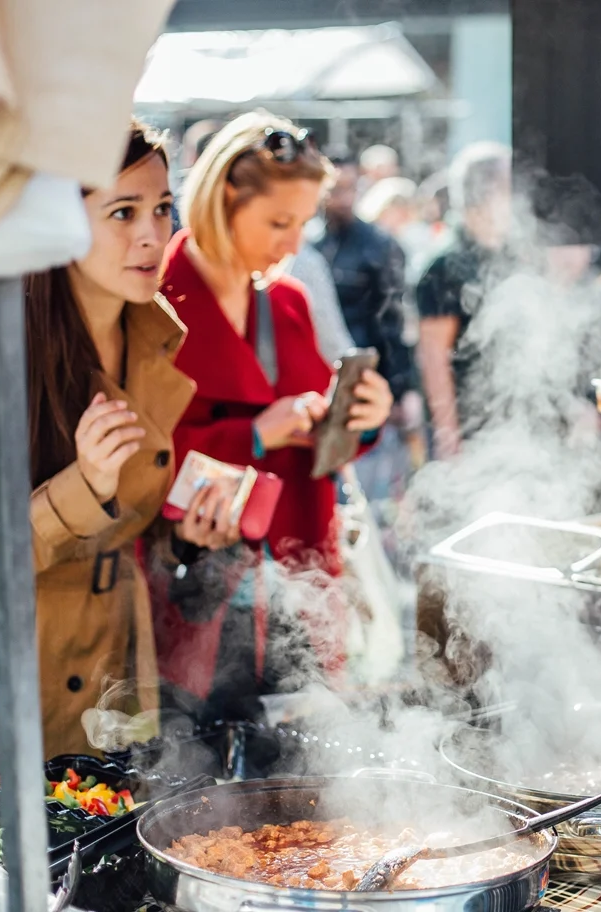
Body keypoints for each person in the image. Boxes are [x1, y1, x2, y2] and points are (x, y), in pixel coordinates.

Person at [0, 121, 240, 783]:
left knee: (116, 847)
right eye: (122, 212)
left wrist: (184, 539)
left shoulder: (151, 340)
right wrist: (81, 487)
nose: (152, 235)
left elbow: (121, 531)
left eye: (162, 208)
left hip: (112, 687)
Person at [154, 112, 393, 721]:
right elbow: (145, 457)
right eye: (279, 222)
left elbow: (322, 437)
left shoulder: (288, 300)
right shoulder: (158, 299)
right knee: (197, 759)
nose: (293, 245)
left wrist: (363, 416)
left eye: (304, 223)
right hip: (196, 586)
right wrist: (256, 434)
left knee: (304, 758)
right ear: (222, 200)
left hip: (298, 571)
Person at [415, 142, 512, 457]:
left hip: (511, 420)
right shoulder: (443, 265)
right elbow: (434, 357)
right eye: (509, 186)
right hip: (471, 426)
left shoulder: (514, 254)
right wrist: (448, 434)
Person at [316, 160, 412, 400]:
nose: (345, 198)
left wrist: (399, 388)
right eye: (336, 189)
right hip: (316, 377)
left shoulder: (379, 246)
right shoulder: (307, 245)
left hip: (365, 378)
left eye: (351, 187)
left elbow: (393, 322)